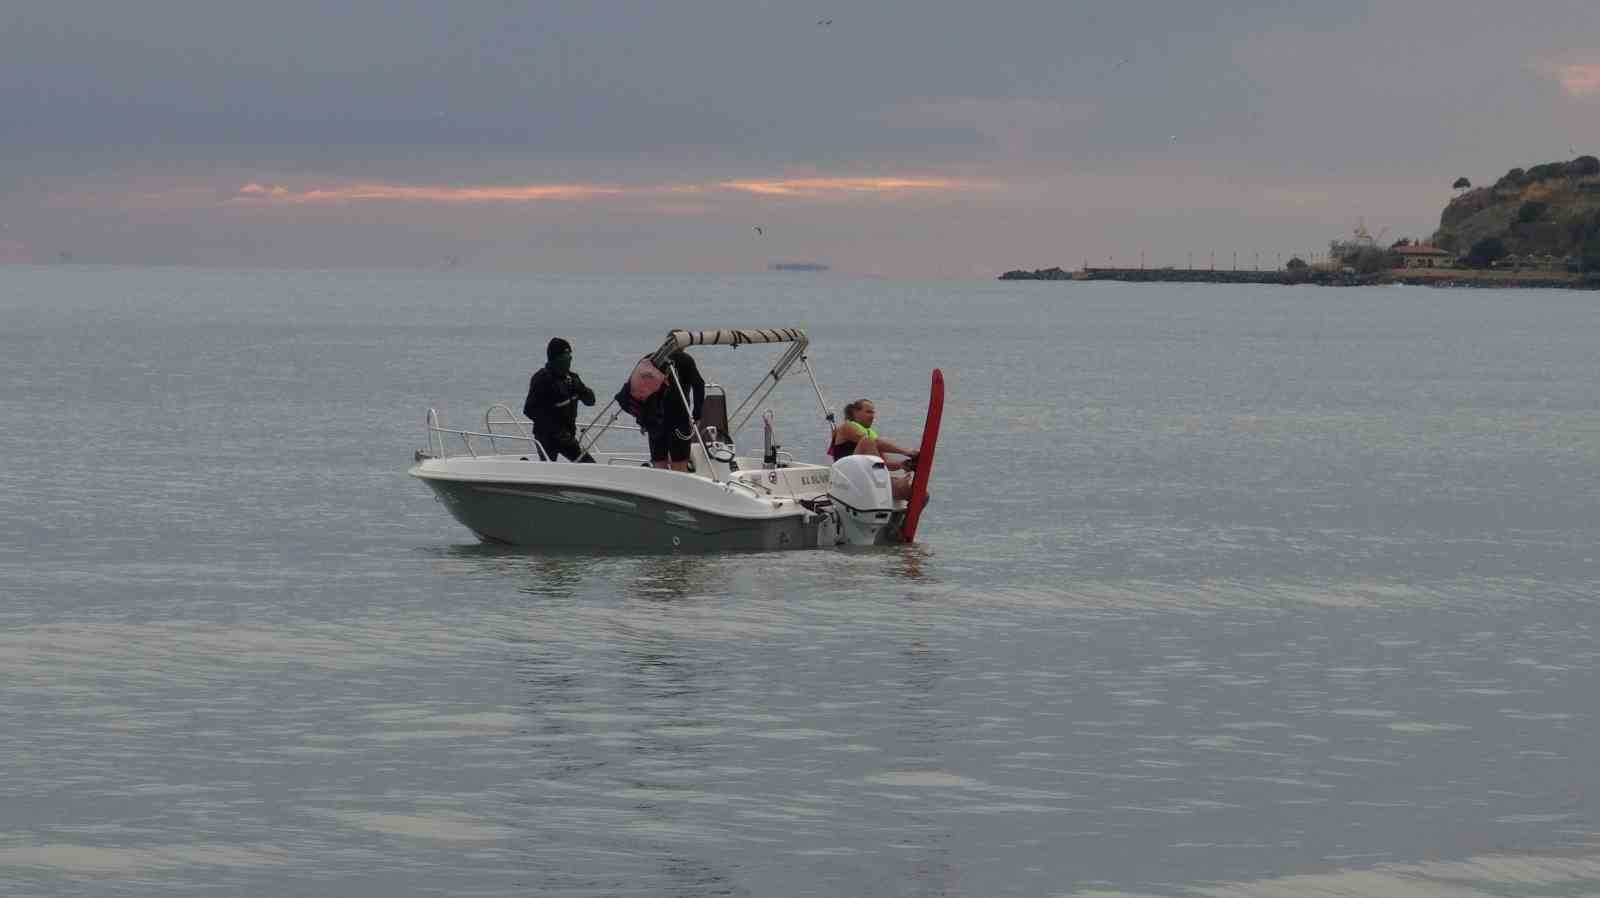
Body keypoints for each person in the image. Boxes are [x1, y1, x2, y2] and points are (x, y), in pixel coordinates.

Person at [614, 351, 705, 472]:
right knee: (679, 464)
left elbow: (636, 390)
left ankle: (661, 487)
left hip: (654, 419)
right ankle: (677, 489)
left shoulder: (650, 358)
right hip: (679, 418)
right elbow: (699, 385)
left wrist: (642, 420)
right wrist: (696, 415)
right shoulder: (685, 359)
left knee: (659, 463)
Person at [522, 337, 596, 462]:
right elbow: (529, 410)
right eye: (567, 354)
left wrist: (582, 389)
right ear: (556, 357)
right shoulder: (542, 379)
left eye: (570, 354)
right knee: (549, 469)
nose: (570, 358)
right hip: (546, 437)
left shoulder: (572, 378)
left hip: (567, 438)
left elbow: (591, 401)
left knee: (589, 464)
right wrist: (554, 430)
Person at [829, 398, 918, 500]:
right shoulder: (847, 427)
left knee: (922, 495)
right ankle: (885, 483)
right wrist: (907, 451)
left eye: (873, 413)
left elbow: (885, 464)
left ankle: (897, 495)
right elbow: (873, 442)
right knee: (867, 441)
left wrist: (903, 465)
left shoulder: (870, 434)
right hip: (848, 478)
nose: (872, 416)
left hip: (867, 479)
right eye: (868, 412)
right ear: (855, 412)